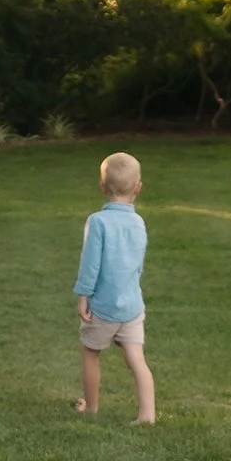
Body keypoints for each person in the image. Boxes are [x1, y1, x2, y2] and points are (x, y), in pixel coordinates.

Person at [74, 148, 155, 423]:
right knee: (137, 359)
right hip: (132, 305)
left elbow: (91, 264)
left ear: (102, 187)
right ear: (138, 188)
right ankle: (147, 414)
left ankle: (91, 408)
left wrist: (83, 296)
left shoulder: (98, 222)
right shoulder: (138, 222)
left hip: (102, 306)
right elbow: (137, 264)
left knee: (90, 353)